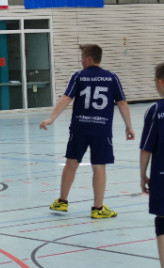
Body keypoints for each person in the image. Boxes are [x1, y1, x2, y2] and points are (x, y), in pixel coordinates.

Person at [41, 44, 134, 218]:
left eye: (82, 57)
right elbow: (122, 102)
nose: (81, 60)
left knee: (71, 163)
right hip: (102, 129)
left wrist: (52, 118)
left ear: (89, 59)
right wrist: (129, 126)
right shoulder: (112, 77)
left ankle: (62, 201)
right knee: (99, 166)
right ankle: (98, 209)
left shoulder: (78, 76)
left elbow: (67, 97)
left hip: (80, 127)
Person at [140, 62, 164, 267]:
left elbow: (146, 149)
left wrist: (142, 175)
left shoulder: (155, 110)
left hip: (161, 175)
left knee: (162, 220)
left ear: (161, 82)